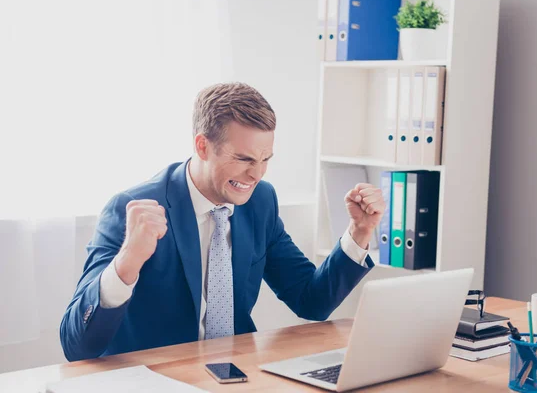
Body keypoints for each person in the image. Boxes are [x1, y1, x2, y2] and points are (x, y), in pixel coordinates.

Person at [60, 82, 384, 361]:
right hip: (156, 380)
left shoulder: (261, 202)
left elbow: (311, 301)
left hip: (237, 375)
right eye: (243, 159)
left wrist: (359, 232)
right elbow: (76, 346)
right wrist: (126, 263)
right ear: (203, 146)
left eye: (265, 160)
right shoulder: (131, 210)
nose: (256, 174)